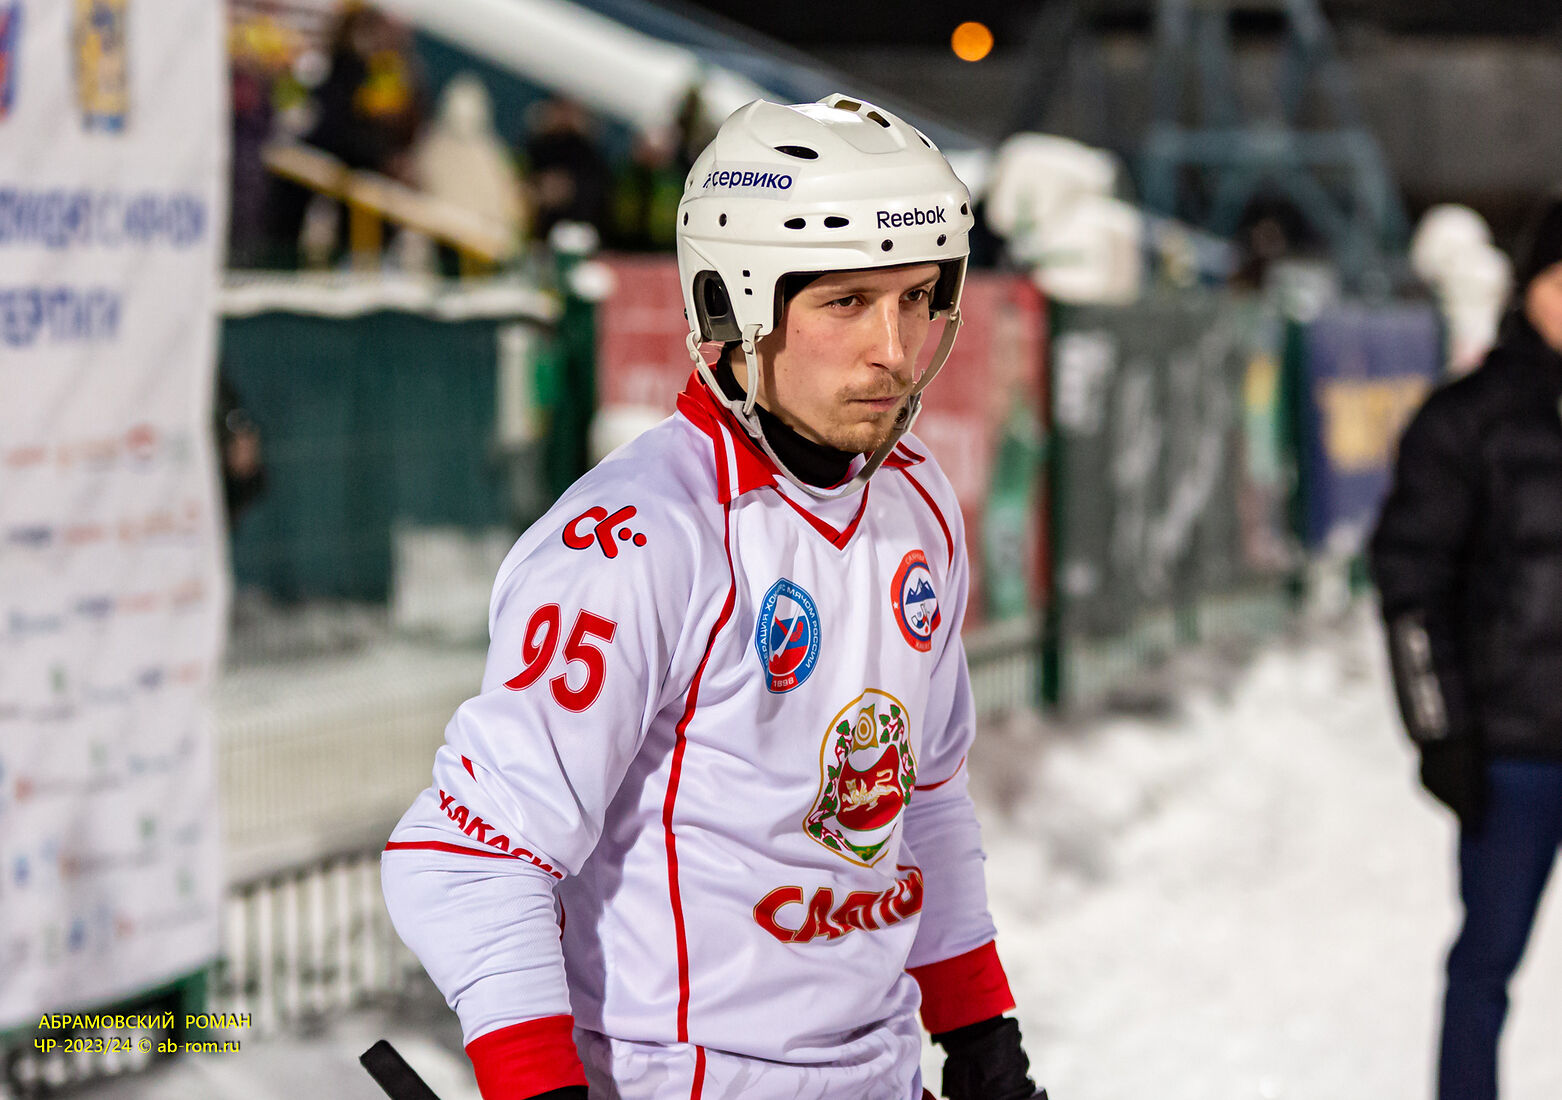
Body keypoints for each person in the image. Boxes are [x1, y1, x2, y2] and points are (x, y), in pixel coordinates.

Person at [382, 95, 1048, 1100]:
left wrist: (983, 1038)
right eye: (846, 302)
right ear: (733, 308)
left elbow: (924, 799)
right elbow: (468, 857)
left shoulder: (914, 500)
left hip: (875, 1072)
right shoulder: (642, 537)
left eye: (916, 296)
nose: (895, 347)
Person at [1370, 189, 1562, 1100]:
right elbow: (1412, 589)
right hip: (1515, 753)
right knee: (1485, 964)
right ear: (1532, 287)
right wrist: (1441, 732)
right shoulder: (1465, 418)